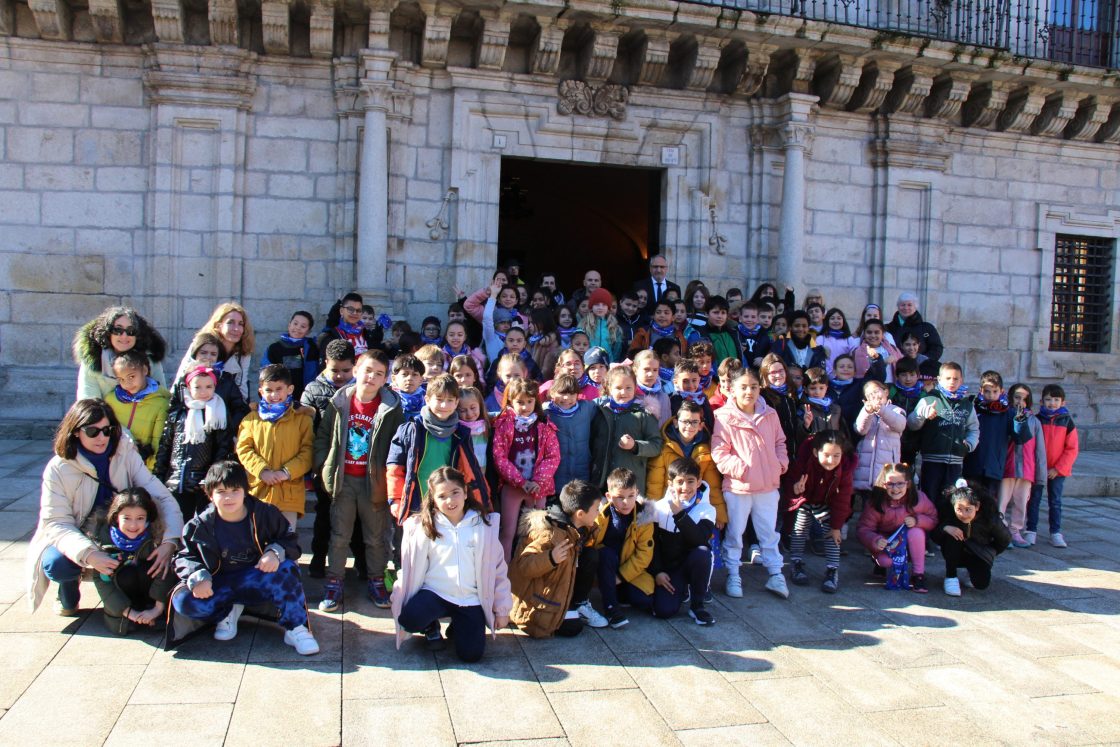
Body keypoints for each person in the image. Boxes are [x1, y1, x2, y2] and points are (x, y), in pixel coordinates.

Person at [27, 399, 182, 615]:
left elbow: (162, 497)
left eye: (107, 430)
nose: (102, 437)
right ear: (75, 432)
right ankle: (68, 590)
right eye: (93, 431)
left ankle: (132, 596)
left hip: (119, 527)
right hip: (80, 531)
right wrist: (89, 554)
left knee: (151, 553)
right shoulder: (58, 468)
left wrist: (170, 542)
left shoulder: (124, 452)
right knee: (58, 565)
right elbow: (57, 522)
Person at [168, 461, 318, 654]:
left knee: (287, 568)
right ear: (210, 493)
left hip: (255, 578)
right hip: (220, 583)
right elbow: (184, 556)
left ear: (245, 491)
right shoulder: (199, 525)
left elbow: (290, 541)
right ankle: (228, 611)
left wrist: (274, 552)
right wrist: (197, 575)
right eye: (221, 491)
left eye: (235, 490)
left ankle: (295, 627)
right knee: (183, 601)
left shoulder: (265, 513)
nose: (229, 497)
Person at [314, 349, 404, 611]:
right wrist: (324, 466)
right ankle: (335, 581)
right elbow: (323, 436)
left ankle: (376, 579)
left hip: (373, 483)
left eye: (379, 373)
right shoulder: (339, 402)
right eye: (368, 370)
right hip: (344, 481)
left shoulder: (391, 408)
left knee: (375, 536)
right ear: (355, 371)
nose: (372, 377)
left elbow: (397, 444)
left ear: (386, 378)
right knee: (339, 535)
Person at [391, 467, 512, 660]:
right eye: (442, 496)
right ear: (434, 500)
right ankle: (430, 624)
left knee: (471, 655)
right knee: (408, 619)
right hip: (436, 593)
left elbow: (498, 570)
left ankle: (461, 625)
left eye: (455, 492)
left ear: (465, 492)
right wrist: (398, 594)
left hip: (469, 599)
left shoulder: (483, 527)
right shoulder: (423, 528)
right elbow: (409, 568)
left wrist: (502, 609)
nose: (450, 501)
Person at [711, 368, 790, 599]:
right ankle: (734, 574)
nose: (749, 391)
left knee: (769, 533)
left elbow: (780, 442)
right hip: (739, 487)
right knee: (735, 533)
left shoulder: (770, 414)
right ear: (732, 390)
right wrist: (741, 470)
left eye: (753, 387)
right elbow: (719, 451)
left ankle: (776, 574)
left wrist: (780, 464)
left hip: (768, 485)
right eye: (743, 387)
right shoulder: (724, 417)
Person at [387, 374, 491, 527]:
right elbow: (395, 467)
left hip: (448, 506)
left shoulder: (460, 433)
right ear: (427, 399)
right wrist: (395, 499)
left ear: (456, 403)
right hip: (417, 503)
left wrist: (483, 501)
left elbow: (470, 470)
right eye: (439, 400)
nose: (444, 406)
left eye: (450, 400)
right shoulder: (411, 430)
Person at [300, 339, 364, 578]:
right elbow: (308, 430)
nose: (339, 376)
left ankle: (362, 563)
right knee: (325, 515)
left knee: (356, 518)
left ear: (354, 367)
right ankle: (318, 558)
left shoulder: (361, 390)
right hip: (326, 464)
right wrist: (317, 465)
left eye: (345, 371)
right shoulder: (313, 390)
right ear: (325, 364)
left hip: (354, 463)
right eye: (334, 370)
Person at [509, 479, 604, 637]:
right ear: (580, 514)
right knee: (574, 628)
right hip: (536, 603)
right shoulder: (550, 534)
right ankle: (566, 609)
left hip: (558, 590)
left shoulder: (580, 527)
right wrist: (550, 558)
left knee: (591, 555)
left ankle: (577, 604)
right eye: (596, 509)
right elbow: (523, 566)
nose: (598, 513)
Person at [235, 365, 314, 530]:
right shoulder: (251, 419)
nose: (274, 395)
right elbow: (244, 449)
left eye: (279, 389)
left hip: (289, 494)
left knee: (285, 542)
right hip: (258, 491)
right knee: (257, 541)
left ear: (290, 389)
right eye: (269, 390)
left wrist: (285, 473)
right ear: (260, 391)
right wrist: (262, 471)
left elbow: (307, 452)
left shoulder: (302, 420)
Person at [491, 377, 561, 562]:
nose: (525, 406)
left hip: (539, 488)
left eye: (529, 401)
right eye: (520, 402)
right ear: (510, 401)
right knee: (508, 532)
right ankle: (503, 575)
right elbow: (499, 457)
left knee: (537, 533)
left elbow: (553, 456)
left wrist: (537, 481)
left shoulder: (544, 426)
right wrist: (521, 482)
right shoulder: (503, 425)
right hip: (513, 487)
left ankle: (531, 572)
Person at [90, 488, 176, 634]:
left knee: (155, 564)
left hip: (153, 598)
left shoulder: (157, 537)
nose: (133, 525)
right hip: (122, 605)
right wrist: (130, 613)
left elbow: (167, 571)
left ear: (148, 518)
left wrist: (157, 609)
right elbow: (102, 581)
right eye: (127, 518)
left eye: (140, 518)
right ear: (116, 517)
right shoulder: (103, 540)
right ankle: (129, 615)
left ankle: (154, 613)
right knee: (125, 573)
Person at [155, 365, 235, 520]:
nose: (203, 392)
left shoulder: (218, 414)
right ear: (188, 388)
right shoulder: (178, 414)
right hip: (175, 480)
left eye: (208, 387)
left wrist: (211, 478)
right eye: (197, 387)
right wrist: (158, 474)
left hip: (201, 483)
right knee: (173, 522)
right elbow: (166, 446)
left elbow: (222, 449)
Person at [649, 457, 717, 625]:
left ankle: (697, 605)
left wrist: (679, 513)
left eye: (690, 481)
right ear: (670, 483)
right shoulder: (658, 507)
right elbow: (652, 543)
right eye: (680, 482)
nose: (685, 487)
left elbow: (699, 539)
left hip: (691, 562)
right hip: (669, 569)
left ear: (699, 481)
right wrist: (657, 571)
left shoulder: (707, 509)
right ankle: (682, 590)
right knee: (663, 611)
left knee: (703, 552)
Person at [786, 431, 856, 593]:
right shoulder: (804, 462)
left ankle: (832, 569)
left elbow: (843, 500)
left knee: (832, 533)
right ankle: (796, 563)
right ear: (816, 452)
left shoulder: (844, 470)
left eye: (836, 455)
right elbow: (790, 484)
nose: (831, 460)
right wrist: (796, 490)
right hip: (805, 500)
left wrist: (837, 526)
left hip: (827, 504)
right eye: (826, 455)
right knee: (799, 529)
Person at [857, 463, 938, 593]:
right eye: (890, 484)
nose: (895, 489)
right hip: (887, 542)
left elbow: (933, 519)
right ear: (883, 484)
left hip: (909, 541)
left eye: (900, 483)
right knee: (885, 562)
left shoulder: (919, 498)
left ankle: (918, 575)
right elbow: (864, 528)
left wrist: (918, 520)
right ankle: (879, 563)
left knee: (916, 532)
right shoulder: (876, 502)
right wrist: (875, 540)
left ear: (908, 484)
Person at [591, 467, 656, 628]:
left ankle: (617, 593)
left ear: (637, 493)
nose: (626, 502)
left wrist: (620, 577)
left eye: (631, 496)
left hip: (629, 571)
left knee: (643, 600)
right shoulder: (600, 515)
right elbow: (591, 543)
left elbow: (643, 555)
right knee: (606, 553)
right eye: (620, 497)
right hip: (605, 566)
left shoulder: (644, 517)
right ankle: (611, 608)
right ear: (608, 496)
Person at [646, 400, 727, 527]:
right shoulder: (665, 448)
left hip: (695, 505)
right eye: (685, 421)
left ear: (701, 425)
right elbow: (655, 484)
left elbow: (712, 485)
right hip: (669, 506)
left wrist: (719, 515)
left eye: (694, 422)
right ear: (676, 422)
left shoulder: (705, 451)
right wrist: (652, 513)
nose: (689, 426)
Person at [907, 361, 979, 504]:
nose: (952, 382)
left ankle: (946, 526)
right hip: (932, 460)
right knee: (929, 498)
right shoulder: (929, 399)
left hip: (956, 462)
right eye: (948, 378)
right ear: (939, 379)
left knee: (951, 500)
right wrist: (923, 414)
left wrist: (969, 444)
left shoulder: (967, 404)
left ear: (961, 380)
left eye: (955, 378)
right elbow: (911, 424)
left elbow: (973, 428)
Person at [590, 365, 663, 494]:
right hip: (601, 481)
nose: (623, 392)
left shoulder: (644, 413)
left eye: (628, 388)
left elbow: (656, 445)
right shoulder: (598, 410)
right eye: (618, 388)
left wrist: (635, 446)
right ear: (609, 388)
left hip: (630, 483)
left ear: (635, 388)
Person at [930, 480, 1010, 596]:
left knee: (981, 584)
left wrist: (990, 552)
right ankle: (951, 576)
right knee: (953, 536)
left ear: (977, 506)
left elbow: (1004, 539)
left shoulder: (989, 518)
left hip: (979, 552)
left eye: (968, 509)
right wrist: (945, 528)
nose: (963, 514)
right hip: (955, 552)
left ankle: (972, 571)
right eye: (959, 509)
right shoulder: (950, 515)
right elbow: (934, 536)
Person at [73, 306, 168, 400]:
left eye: (131, 331)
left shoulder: (150, 360)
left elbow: (162, 398)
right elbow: (88, 403)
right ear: (108, 332)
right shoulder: (93, 361)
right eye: (118, 330)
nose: (124, 336)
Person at [962, 371, 1028, 497]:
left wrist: (1019, 421)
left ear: (1001, 391)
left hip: (994, 467)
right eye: (987, 391)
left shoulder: (1008, 413)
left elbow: (1020, 439)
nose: (991, 395)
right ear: (981, 390)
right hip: (972, 464)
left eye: (994, 391)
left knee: (989, 503)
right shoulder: (973, 408)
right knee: (970, 500)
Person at [1031, 384, 1080, 548]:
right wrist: (1038, 466)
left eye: (1056, 399)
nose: (1052, 403)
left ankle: (1055, 532)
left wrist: (1057, 469)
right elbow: (1031, 445)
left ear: (1063, 402)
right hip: (1038, 469)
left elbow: (1071, 448)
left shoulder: (1067, 422)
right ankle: (1030, 530)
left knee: (1055, 501)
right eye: (1048, 399)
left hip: (1057, 471)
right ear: (1041, 401)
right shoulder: (1036, 420)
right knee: (1034, 500)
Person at [176, 302, 256, 403]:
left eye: (240, 324)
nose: (236, 328)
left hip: (224, 404)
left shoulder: (244, 351)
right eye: (230, 322)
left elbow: (241, 386)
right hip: (194, 402)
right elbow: (181, 379)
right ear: (218, 325)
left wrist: (243, 411)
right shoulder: (202, 345)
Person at [999, 383, 1046, 548]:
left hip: (1027, 468)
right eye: (1017, 397)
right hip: (1008, 466)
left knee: (1021, 502)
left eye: (1025, 399)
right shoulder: (1005, 415)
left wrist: (1040, 474)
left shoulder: (1034, 421)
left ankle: (1015, 530)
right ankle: (1001, 531)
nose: (1020, 402)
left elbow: (1039, 450)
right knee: (1002, 501)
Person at [105, 351, 170, 470]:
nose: (127, 383)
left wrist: (149, 475)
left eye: (131, 376)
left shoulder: (161, 404)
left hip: (142, 468)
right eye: (121, 379)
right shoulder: (111, 400)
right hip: (113, 467)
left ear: (144, 370)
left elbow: (158, 445)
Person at [173, 332, 250, 432]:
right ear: (195, 354)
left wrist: (226, 428)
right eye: (203, 352)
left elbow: (240, 409)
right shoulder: (183, 380)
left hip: (218, 438)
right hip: (186, 434)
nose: (208, 357)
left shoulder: (225, 380)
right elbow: (173, 409)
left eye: (213, 354)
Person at [852, 380, 908, 499]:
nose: (874, 396)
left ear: (886, 392)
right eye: (869, 394)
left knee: (885, 505)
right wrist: (868, 412)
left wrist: (881, 410)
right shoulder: (865, 412)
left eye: (876, 391)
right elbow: (860, 430)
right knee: (867, 507)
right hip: (865, 473)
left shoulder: (896, 410)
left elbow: (900, 425)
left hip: (887, 471)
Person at [545, 374, 598, 492]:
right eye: (562, 393)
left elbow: (606, 402)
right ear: (552, 392)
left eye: (572, 394)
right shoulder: (546, 413)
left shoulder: (586, 408)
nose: (567, 398)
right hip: (557, 475)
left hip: (582, 472)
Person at [261, 310, 320, 401]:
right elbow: (265, 374)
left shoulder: (312, 347)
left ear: (308, 331)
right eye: (295, 324)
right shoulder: (274, 348)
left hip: (306, 398)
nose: (298, 328)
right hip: (280, 399)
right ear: (289, 325)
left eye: (303, 326)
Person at [316, 292, 384, 362]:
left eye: (358, 310)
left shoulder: (367, 334)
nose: (355, 313)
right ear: (341, 311)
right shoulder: (332, 336)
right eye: (350, 309)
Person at [885, 292, 944, 363]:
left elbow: (936, 348)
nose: (906, 308)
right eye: (903, 305)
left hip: (923, 369)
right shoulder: (888, 328)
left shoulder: (927, 328)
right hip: (896, 368)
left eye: (909, 305)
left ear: (915, 307)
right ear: (898, 306)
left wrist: (923, 361)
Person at [669, 359, 714, 432]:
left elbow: (710, 422)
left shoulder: (702, 398)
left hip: (703, 438)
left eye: (694, 380)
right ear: (675, 382)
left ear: (699, 380)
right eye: (685, 381)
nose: (690, 385)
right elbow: (672, 424)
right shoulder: (675, 399)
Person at [852, 319, 902, 384]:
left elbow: (903, 366)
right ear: (864, 333)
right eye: (869, 332)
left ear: (882, 333)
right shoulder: (858, 352)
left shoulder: (892, 348)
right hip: (871, 390)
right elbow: (865, 373)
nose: (873, 335)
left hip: (892, 388)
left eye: (877, 332)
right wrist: (883, 362)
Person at [581, 288, 624, 362]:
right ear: (591, 306)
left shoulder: (614, 326)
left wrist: (612, 363)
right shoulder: (584, 324)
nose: (600, 307)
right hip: (588, 363)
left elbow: (617, 349)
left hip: (608, 364)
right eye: (597, 304)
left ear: (608, 307)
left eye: (604, 305)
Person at [632, 349, 672, 425]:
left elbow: (667, 425)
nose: (651, 374)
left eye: (655, 370)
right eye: (646, 369)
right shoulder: (630, 395)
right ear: (635, 370)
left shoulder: (664, 397)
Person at [457, 386, 491, 473]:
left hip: (482, 473)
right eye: (462, 410)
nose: (469, 413)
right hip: (463, 474)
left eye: (473, 408)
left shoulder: (485, 425)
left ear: (480, 405)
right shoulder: (457, 429)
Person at [391, 353, 427, 421]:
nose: (410, 378)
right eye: (404, 374)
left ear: (421, 380)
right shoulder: (389, 398)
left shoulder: (427, 399)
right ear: (394, 379)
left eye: (415, 374)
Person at [735, 301, 771, 368]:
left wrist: (764, 360)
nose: (749, 319)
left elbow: (771, 352)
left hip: (758, 371)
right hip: (740, 371)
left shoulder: (764, 335)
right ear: (740, 318)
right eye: (746, 316)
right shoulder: (734, 332)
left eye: (753, 317)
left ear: (757, 319)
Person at [818, 308, 853, 373]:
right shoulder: (821, 339)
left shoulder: (849, 339)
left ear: (843, 321)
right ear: (827, 321)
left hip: (844, 374)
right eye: (832, 318)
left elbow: (853, 358)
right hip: (826, 375)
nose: (836, 321)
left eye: (839, 318)